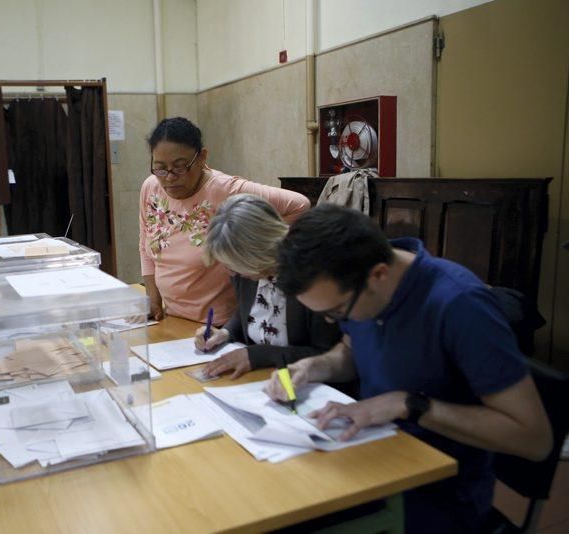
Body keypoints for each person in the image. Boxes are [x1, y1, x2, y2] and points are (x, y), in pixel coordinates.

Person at [264, 204, 552, 533]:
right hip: (372, 456)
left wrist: (409, 404)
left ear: (379, 275)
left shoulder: (460, 306)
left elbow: (534, 439)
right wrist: (313, 366)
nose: (335, 321)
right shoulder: (361, 280)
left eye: (339, 311)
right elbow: (350, 352)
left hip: (440, 490)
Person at [139, 117, 310, 325]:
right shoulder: (151, 188)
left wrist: (255, 255)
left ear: (202, 157)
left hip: (220, 324)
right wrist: (152, 299)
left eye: (180, 167)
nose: (169, 177)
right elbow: (144, 244)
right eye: (160, 168)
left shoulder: (226, 189)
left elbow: (299, 205)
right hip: (172, 317)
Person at [192, 194, 341, 379]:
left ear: (258, 252)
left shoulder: (311, 276)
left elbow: (328, 353)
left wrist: (258, 356)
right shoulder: (246, 273)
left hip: (305, 384)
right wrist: (225, 332)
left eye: (236, 266)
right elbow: (247, 313)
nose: (233, 273)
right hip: (258, 379)